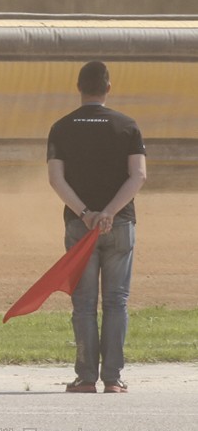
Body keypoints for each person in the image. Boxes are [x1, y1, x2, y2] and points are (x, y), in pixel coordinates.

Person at [47, 61, 147, 394]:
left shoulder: (61, 127)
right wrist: (109, 213)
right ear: (108, 87)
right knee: (116, 302)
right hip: (119, 224)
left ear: (79, 87)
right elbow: (139, 175)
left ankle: (86, 377)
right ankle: (114, 379)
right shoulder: (128, 126)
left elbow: (56, 178)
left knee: (84, 303)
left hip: (80, 226)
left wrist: (87, 213)